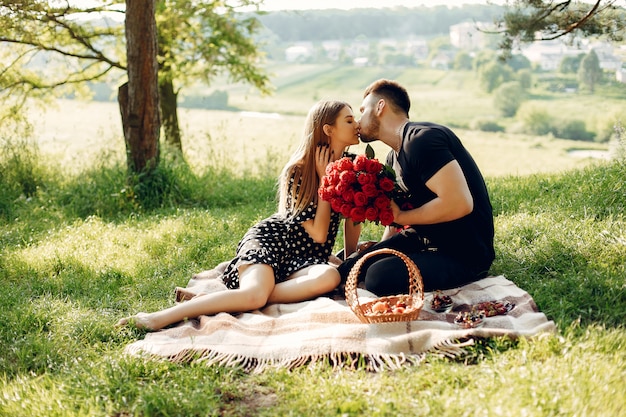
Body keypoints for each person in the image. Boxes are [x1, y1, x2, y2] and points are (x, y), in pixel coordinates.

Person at [117, 100, 362, 331]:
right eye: (349, 120)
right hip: (273, 242)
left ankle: (223, 298)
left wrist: (351, 260)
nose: (357, 124)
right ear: (328, 129)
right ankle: (156, 318)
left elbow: (353, 218)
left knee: (331, 275)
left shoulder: (352, 167)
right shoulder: (299, 170)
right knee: (254, 296)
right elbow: (319, 234)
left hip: (306, 258)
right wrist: (323, 180)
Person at [337, 79, 495, 294]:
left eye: (363, 109)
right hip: (422, 238)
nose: (358, 120)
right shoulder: (393, 158)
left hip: (462, 252)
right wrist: (380, 248)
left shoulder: (421, 140)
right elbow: (396, 217)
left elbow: (460, 204)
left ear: (380, 107)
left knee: (377, 276)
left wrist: (402, 218)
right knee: (350, 266)